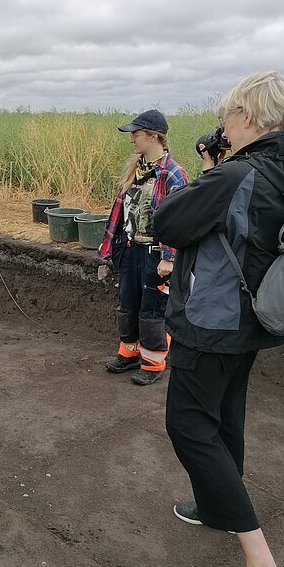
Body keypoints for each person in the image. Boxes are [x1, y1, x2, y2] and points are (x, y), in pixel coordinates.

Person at [154, 72, 284, 567]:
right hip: (256, 317)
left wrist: (214, 169)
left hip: (215, 319)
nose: (222, 126)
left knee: (187, 425)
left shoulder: (235, 175)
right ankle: (215, 502)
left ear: (248, 118)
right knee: (225, 414)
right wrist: (219, 168)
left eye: (228, 116)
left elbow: (168, 222)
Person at [98, 110, 188, 385]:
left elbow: (179, 219)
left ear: (153, 136)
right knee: (128, 304)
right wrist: (107, 252)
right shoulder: (135, 171)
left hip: (154, 255)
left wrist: (168, 257)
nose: (132, 140)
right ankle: (129, 353)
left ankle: (153, 363)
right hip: (129, 251)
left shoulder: (173, 174)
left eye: (136, 135)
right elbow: (118, 215)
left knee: (152, 310)